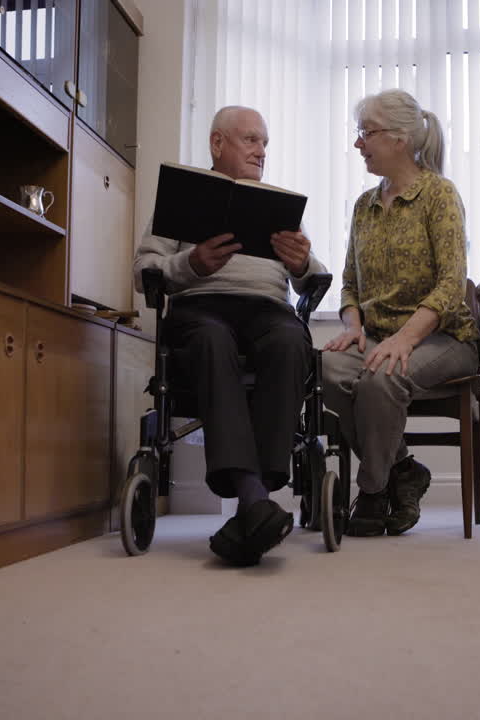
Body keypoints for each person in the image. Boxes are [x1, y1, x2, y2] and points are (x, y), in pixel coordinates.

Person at [134, 106, 328, 565]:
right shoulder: (184, 200)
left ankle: (252, 502)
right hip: (201, 308)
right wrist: (191, 264)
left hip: (268, 311)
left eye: (264, 143)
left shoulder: (279, 210)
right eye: (250, 140)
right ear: (217, 144)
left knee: (289, 341)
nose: (261, 151)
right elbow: (144, 272)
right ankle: (252, 494)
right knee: (209, 340)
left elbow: (314, 276)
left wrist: (302, 264)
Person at [322, 89, 480, 537]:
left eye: (365, 134)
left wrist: (405, 339)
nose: (358, 144)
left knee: (382, 376)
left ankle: (373, 493)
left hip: (446, 338)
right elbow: (350, 284)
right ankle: (404, 469)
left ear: (399, 139)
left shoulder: (439, 195)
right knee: (326, 368)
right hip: (377, 337)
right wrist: (354, 328)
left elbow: (452, 284)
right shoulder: (363, 206)